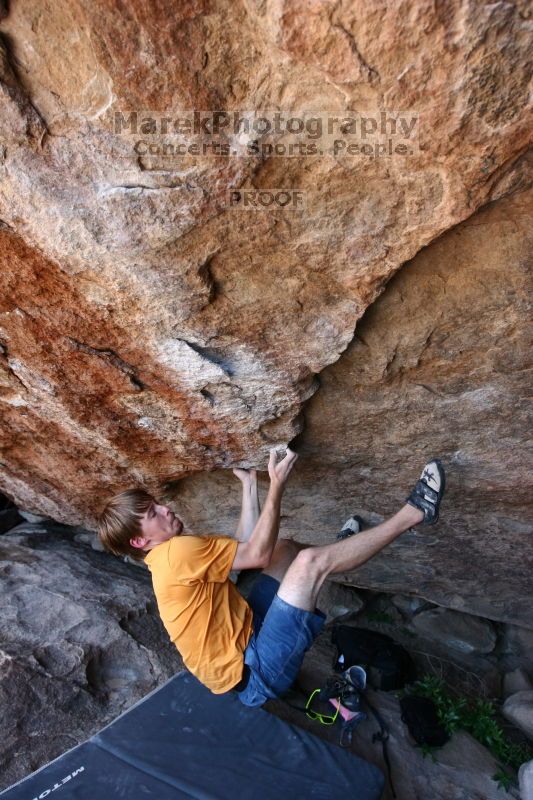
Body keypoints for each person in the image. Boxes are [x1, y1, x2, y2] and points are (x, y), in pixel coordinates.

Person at [97, 449, 445, 708]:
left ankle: (337, 556)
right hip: (255, 674)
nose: (165, 508)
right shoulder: (176, 553)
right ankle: (415, 513)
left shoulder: (165, 556)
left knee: (286, 549)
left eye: (156, 503)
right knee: (306, 563)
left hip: (249, 631)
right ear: (139, 541)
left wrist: (250, 486)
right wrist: (276, 485)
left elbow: (243, 553)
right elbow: (255, 556)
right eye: (152, 513)